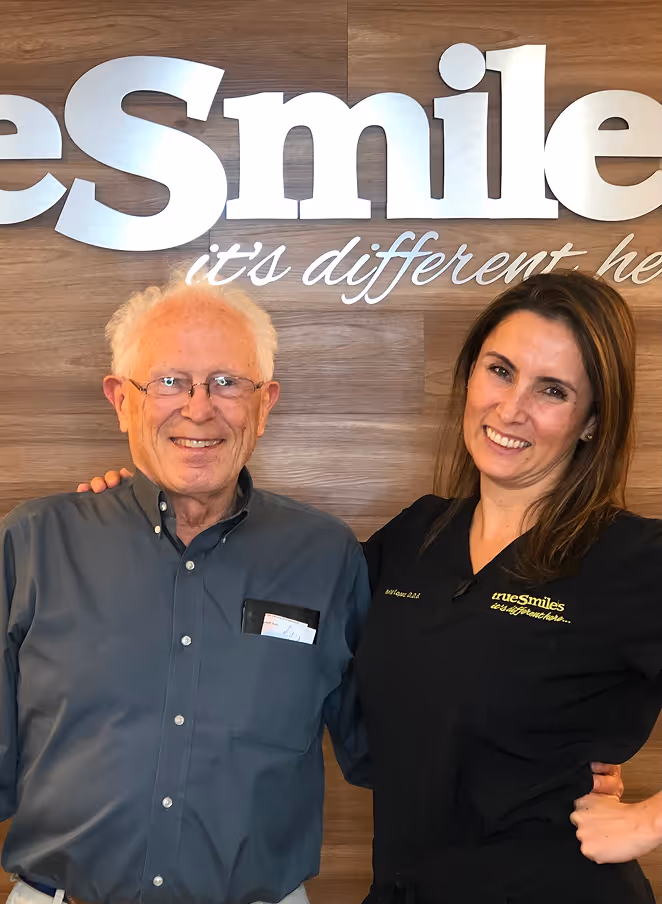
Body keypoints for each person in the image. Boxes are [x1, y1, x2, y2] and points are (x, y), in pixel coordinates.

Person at [0, 280, 371, 904]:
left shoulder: (328, 556)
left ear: (266, 402)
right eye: (169, 381)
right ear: (122, 402)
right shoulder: (33, 543)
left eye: (228, 383)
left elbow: (389, 747)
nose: (199, 409)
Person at [356, 272, 662, 903]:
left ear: (590, 423)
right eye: (500, 370)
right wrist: (141, 515)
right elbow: (284, 605)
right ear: (470, 375)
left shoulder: (634, 559)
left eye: (552, 390)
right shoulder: (415, 536)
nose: (512, 408)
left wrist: (646, 822)